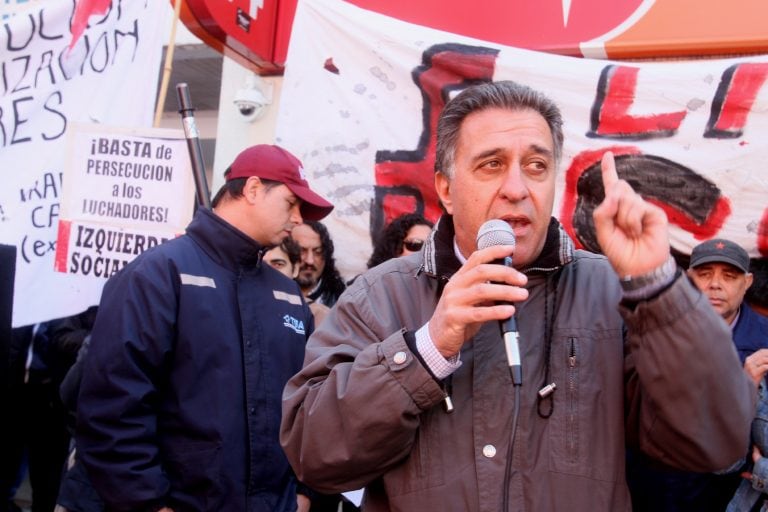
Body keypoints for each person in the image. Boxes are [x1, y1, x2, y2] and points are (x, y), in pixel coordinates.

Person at [280, 80, 754, 511]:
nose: (516, 188)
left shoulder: (614, 292)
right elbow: (314, 455)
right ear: (445, 188)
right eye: (491, 165)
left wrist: (658, 288)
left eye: (536, 165)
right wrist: (427, 350)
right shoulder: (379, 295)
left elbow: (714, 440)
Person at [76, 144, 333, 512]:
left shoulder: (286, 294)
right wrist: (147, 503)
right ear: (253, 189)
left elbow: (308, 406)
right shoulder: (158, 275)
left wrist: (304, 493)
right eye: (291, 203)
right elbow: (112, 408)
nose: (297, 219)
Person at [628, 238, 768, 511]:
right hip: (655, 490)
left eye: (729, 276)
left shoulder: (765, 340)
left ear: (747, 282)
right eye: (705, 274)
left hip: (729, 497)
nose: (715, 284)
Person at [265, 238, 331, 327]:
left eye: (278, 264)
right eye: (261, 264)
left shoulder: (318, 315)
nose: (268, 271)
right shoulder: (243, 308)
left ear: (295, 269)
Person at [292, 221, 346, 307]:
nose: (310, 261)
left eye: (318, 252)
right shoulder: (271, 292)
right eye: (301, 251)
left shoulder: (340, 301)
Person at [366, 213, 434, 269]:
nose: (423, 253)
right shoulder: (370, 283)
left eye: (430, 247)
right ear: (394, 248)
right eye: (415, 244)